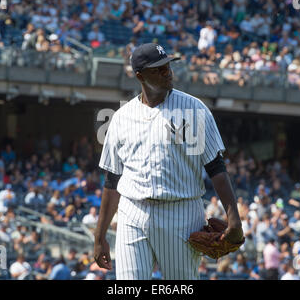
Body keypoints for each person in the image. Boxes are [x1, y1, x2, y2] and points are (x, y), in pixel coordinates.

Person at [94, 43, 243, 280]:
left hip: (181, 212)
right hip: (133, 211)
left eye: (168, 66)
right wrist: (99, 235)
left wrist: (234, 218)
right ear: (140, 75)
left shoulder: (194, 109)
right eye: (159, 69)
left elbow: (216, 168)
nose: (168, 72)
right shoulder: (121, 117)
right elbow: (112, 181)